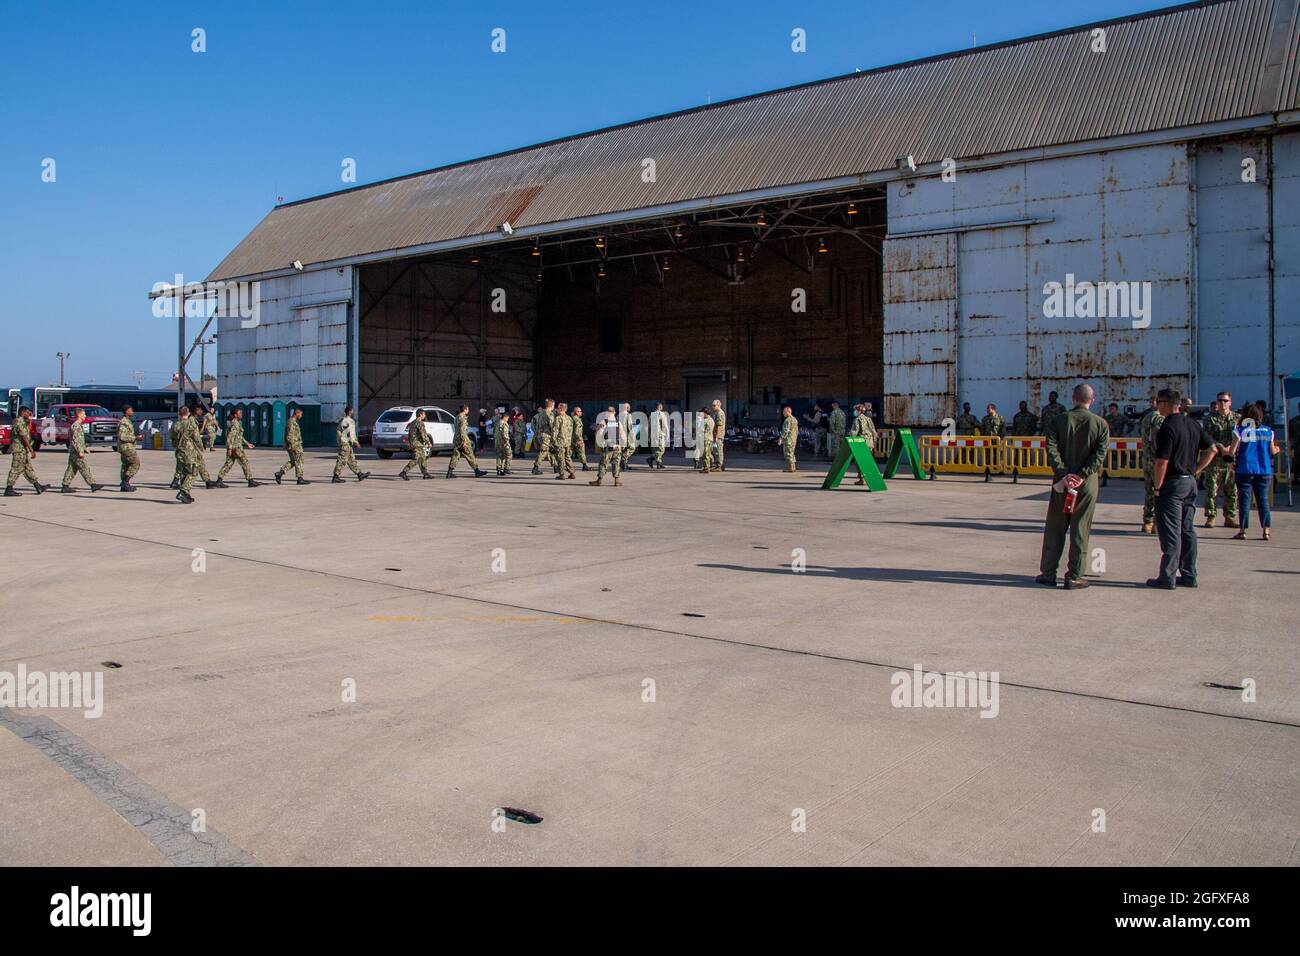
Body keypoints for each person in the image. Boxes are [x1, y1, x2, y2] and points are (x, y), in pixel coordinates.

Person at [1036, 384, 1109, 590]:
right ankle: (1074, 575)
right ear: (1091, 399)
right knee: (1080, 528)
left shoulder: (1058, 420)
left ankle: (1048, 573)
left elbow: (1050, 448)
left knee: (1055, 527)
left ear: (1073, 398)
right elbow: (1099, 455)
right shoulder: (1101, 424)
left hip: (1061, 483)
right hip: (1086, 485)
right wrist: (1080, 475)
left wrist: (1063, 474)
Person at [1147, 388, 1217, 590]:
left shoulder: (1167, 427)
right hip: (1190, 483)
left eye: (1158, 401)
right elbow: (1212, 449)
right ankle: (1189, 574)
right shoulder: (1193, 424)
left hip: (1172, 484)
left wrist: (1157, 487)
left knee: (1170, 532)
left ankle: (1167, 577)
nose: (1156, 405)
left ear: (1166, 404)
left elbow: (1162, 461)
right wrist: (1196, 469)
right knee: (1187, 530)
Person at [1229, 402, 1279, 541]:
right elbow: (1272, 451)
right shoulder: (1269, 431)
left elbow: (1232, 452)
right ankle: (1266, 531)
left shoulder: (1240, 431)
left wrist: (1231, 462)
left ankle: (1243, 531)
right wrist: (1278, 450)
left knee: (1244, 501)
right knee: (1263, 500)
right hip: (1264, 470)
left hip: (1244, 469)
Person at [1201, 392, 1239, 528]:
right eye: (1220, 401)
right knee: (1212, 489)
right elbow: (1208, 437)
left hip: (1231, 461)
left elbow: (1242, 436)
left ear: (1230, 402)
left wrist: (1231, 448)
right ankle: (1211, 516)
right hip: (1215, 460)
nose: (1222, 403)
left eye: (1225, 401)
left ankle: (1230, 516)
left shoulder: (1237, 418)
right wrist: (1222, 447)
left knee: (1232, 490)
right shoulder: (1210, 419)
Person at [3, 407, 48, 496]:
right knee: (16, 469)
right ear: (23, 412)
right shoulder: (19, 422)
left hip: (22, 450)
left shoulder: (22, 421)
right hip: (19, 449)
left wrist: (30, 420)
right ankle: (9, 489)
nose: (29, 414)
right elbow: (24, 437)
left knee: (28, 468)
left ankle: (37, 486)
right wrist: (31, 450)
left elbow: (27, 431)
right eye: (28, 412)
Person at [59, 407, 105, 493]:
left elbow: (79, 439)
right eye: (84, 414)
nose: (85, 416)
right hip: (76, 451)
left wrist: (84, 448)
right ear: (79, 415)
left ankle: (65, 486)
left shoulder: (77, 425)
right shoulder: (76, 426)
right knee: (84, 468)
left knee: (72, 468)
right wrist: (80, 451)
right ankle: (93, 485)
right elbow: (75, 440)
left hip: (74, 450)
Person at [1138, 396, 1164, 534]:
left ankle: (1147, 521)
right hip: (1158, 461)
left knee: (1149, 492)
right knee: (1159, 492)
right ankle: (1156, 523)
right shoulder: (1160, 419)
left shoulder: (1147, 418)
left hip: (1147, 460)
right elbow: (1158, 442)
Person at [218, 408, 260, 487]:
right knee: (245, 462)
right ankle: (250, 480)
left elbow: (239, 436)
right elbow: (230, 437)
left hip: (234, 447)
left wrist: (247, 443)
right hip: (236, 447)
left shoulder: (235, 423)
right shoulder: (235, 424)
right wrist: (229, 448)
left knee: (229, 463)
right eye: (239, 413)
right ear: (235, 415)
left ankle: (219, 479)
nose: (240, 414)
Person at [332, 406, 370, 483]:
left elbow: (338, 431)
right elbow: (351, 434)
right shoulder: (350, 421)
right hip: (346, 443)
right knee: (342, 460)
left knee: (351, 460)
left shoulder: (342, 420)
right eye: (353, 411)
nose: (354, 412)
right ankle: (335, 476)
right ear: (350, 412)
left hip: (345, 443)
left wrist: (340, 441)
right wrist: (356, 442)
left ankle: (359, 474)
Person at [174, 408, 204, 504]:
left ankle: (186, 495)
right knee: (193, 472)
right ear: (188, 413)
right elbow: (196, 438)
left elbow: (172, 438)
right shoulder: (191, 424)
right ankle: (183, 492)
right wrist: (201, 448)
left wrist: (178, 446)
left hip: (179, 451)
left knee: (184, 473)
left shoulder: (176, 424)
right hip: (189, 452)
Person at [447, 405, 485, 478]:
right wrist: (464, 441)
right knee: (470, 454)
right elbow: (462, 431)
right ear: (465, 410)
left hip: (456, 439)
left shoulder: (457, 417)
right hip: (462, 440)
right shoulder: (463, 418)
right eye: (468, 409)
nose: (468, 411)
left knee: (455, 456)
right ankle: (477, 471)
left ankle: (449, 472)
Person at [590, 406, 624, 487]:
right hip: (617, 446)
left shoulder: (604, 422)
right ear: (614, 412)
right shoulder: (618, 422)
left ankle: (599, 481)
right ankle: (617, 481)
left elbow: (600, 434)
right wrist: (623, 444)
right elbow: (622, 434)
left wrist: (601, 444)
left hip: (608, 446)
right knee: (616, 463)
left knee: (603, 464)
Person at [398, 408, 433, 480]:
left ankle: (425, 473)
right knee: (416, 459)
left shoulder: (413, 422)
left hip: (414, 443)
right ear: (420, 414)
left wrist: (411, 443)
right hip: (417, 444)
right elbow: (423, 434)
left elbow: (409, 434)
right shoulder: (420, 423)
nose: (425, 415)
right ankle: (404, 472)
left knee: (422, 458)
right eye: (424, 414)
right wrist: (428, 442)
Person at [849, 403, 877, 485]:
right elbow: (874, 431)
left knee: (859, 462)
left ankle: (862, 479)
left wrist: (849, 438)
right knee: (869, 461)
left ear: (858, 411)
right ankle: (872, 478)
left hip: (861, 443)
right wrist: (873, 442)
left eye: (855, 410)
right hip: (870, 443)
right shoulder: (868, 419)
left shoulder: (857, 419)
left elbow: (854, 432)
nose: (854, 412)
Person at [116, 405, 140, 492]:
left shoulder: (127, 421)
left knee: (125, 465)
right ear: (127, 411)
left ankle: (124, 485)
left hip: (126, 447)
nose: (132, 412)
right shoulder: (124, 422)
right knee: (135, 463)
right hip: (127, 447)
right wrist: (135, 438)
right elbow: (122, 436)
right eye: (131, 410)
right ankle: (126, 481)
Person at [530, 400, 555, 475]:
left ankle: (555, 466)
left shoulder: (540, 414)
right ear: (552, 405)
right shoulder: (549, 414)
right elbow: (552, 426)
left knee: (549, 451)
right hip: (546, 435)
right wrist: (554, 436)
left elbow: (536, 425)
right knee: (544, 452)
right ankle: (535, 467)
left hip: (540, 434)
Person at [552, 402, 575, 479]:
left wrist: (553, 441)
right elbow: (571, 431)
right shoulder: (569, 418)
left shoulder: (558, 418)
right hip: (568, 442)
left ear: (561, 409)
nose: (557, 409)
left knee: (560, 458)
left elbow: (555, 431)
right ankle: (572, 473)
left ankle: (561, 474)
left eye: (558, 408)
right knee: (568, 457)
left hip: (560, 442)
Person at [647, 402, 668, 468]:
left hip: (653, 435)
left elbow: (649, 426)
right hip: (659, 434)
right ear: (660, 407)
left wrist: (649, 436)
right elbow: (665, 425)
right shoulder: (661, 414)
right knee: (661, 449)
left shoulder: (651, 415)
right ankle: (650, 459)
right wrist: (667, 434)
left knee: (655, 450)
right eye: (662, 406)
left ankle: (659, 464)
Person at [494, 409, 513, 475]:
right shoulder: (504, 424)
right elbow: (505, 434)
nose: (508, 419)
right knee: (509, 455)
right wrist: (506, 442)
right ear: (505, 417)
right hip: (503, 442)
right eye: (507, 418)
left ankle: (499, 470)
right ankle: (506, 468)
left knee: (499, 456)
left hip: (497, 442)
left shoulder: (498, 423)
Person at [697, 407, 714, 475]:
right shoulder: (711, 420)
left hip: (705, 438)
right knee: (709, 453)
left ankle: (706, 468)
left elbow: (701, 429)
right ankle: (709, 465)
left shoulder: (705, 421)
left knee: (705, 454)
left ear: (705, 413)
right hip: (710, 438)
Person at [780, 405, 798, 472]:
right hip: (793, 439)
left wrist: (781, 438)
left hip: (788, 439)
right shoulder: (794, 419)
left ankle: (790, 468)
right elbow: (796, 430)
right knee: (792, 452)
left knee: (788, 453)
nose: (783, 413)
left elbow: (785, 431)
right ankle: (793, 467)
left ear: (788, 412)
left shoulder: (787, 420)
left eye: (784, 412)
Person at [712, 399, 728, 472]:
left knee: (719, 450)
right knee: (716, 450)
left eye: (714, 405)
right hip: (716, 434)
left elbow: (719, 426)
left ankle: (720, 465)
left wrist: (717, 436)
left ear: (719, 405)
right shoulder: (716, 413)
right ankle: (718, 464)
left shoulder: (720, 413)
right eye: (712, 405)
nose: (713, 407)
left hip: (719, 435)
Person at [571, 405, 588, 471]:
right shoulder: (577, 420)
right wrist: (580, 439)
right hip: (577, 439)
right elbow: (577, 431)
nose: (581, 412)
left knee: (569, 453)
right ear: (576, 412)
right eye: (580, 411)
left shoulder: (571, 418)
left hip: (571, 439)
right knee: (581, 452)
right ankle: (584, 465)